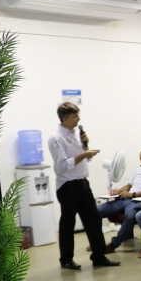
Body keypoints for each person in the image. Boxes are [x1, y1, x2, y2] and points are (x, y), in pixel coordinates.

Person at [48, 102, 119, 269]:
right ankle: (66, 259)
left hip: (82, 183)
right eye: (75, 117)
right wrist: (84, 153)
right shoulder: (56, 138)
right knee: (68, 223)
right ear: (64, 119)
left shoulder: (75, 134)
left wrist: (85, 146)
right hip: (67, 186)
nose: (78, 119)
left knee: (93, 220)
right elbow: (63, 165)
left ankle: (99, 256)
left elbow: (87, 159)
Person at [96, 149, 141, 253]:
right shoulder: (138, 170)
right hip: (124, 198)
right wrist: (117, 191)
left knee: (130, 216)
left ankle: (114, 243)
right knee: (96, 211)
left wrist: (132, 194)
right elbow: (128, 186)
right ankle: (96, 242)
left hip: (138, 201)